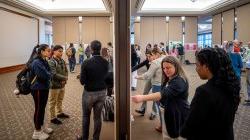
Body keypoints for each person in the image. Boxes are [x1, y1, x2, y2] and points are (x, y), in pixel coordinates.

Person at [181, 48, 240, 140]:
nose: (196, 69)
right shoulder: (231, 85)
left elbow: (190, 126)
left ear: (206, 66)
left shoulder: (204, 92)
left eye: (197, 65)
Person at [132, 55, 189, 139]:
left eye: (168, 68)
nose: (165, 70)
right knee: (168, 134)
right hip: (169, 112)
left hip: (177, 114)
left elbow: (163, 94)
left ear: (176, 66)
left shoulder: (179, 81)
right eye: (164, 68)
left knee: (175, 135)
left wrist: (142, 98)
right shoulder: (169, 78)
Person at [79, 40, 109, 140]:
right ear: (100, 49)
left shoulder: (86, 62)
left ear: (91, 49)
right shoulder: (106, 62)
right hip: (102, 93)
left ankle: (85, 138)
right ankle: (96, 138)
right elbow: (108, 78)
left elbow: (82, 82)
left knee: (86, 116)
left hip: (89, 93)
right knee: (97, 117)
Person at [30, 44, 52, 140]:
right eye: (48, 50)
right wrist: (50, 74)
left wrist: (49, 74)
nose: (49, 52)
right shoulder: (36, 62)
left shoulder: (44, 60)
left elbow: (49, 72)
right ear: (42, 51)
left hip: (44, 87)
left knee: (42, 108)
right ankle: (37, 132)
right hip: (38, 88)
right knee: (39, 109)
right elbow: (45, 75)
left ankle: (42, 127)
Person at [48, 45, 69, 125]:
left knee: (60, 100)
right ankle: (52, 118)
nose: (61, 53)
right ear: (54, 51)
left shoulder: (62, 60)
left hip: (62, 85)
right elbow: (53, 74)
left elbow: (66, 70)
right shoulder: (51, 61)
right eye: (59, 51)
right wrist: (64, 78)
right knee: (53, 101)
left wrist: (65, 78)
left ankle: (59, 113)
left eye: (62, 51)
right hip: (54, 85)